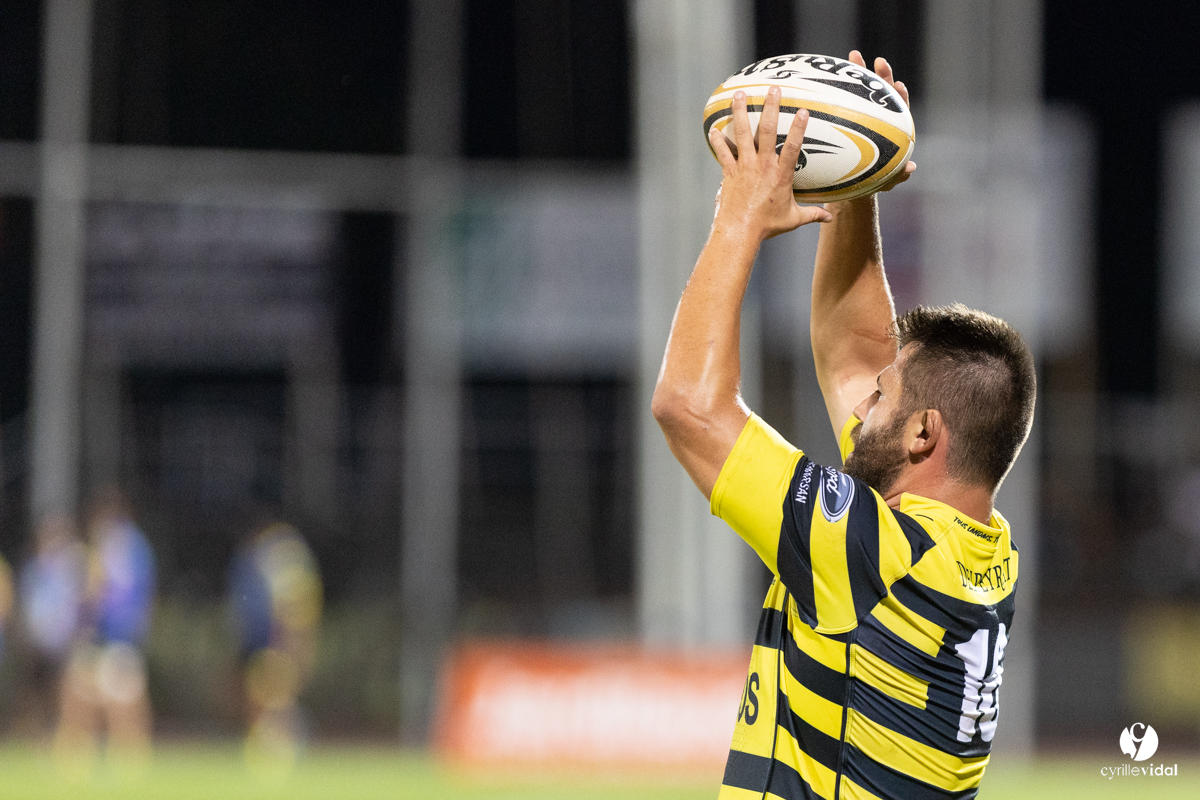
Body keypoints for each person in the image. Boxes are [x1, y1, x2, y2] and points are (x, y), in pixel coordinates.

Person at [651, 51, 1035, 800]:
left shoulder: (878, 556)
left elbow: (688, 406)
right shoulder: (981, 552)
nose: (861, 408)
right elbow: (858, 355)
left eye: (882, 401)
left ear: (924, 435)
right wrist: (859, 184)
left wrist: (739, 215)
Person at [57, 490, 157, 774]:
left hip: (110, 634)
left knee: (112, 700)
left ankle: (102, 753)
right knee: (107, 696)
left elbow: (96, 592)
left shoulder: (113, 546)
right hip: (123, 634)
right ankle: (125, 755)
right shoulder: (137, 546)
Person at [228, 520, 322, 773]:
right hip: (265, 640)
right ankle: (272, 746)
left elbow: (294, 606)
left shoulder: (281, 556)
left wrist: (294, 642)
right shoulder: (263, 558)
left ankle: (286, 747)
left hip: (278, 640)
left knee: (277, 696)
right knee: (264, 694)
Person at [17, 513, 87, 736]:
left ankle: (64, 733)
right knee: (37, 690)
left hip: (62, 640)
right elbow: (27, 605)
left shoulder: (69, 567)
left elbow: (79, 602)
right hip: (38, 641)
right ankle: (39, 734)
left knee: (64, 689)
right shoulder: (33, 569)